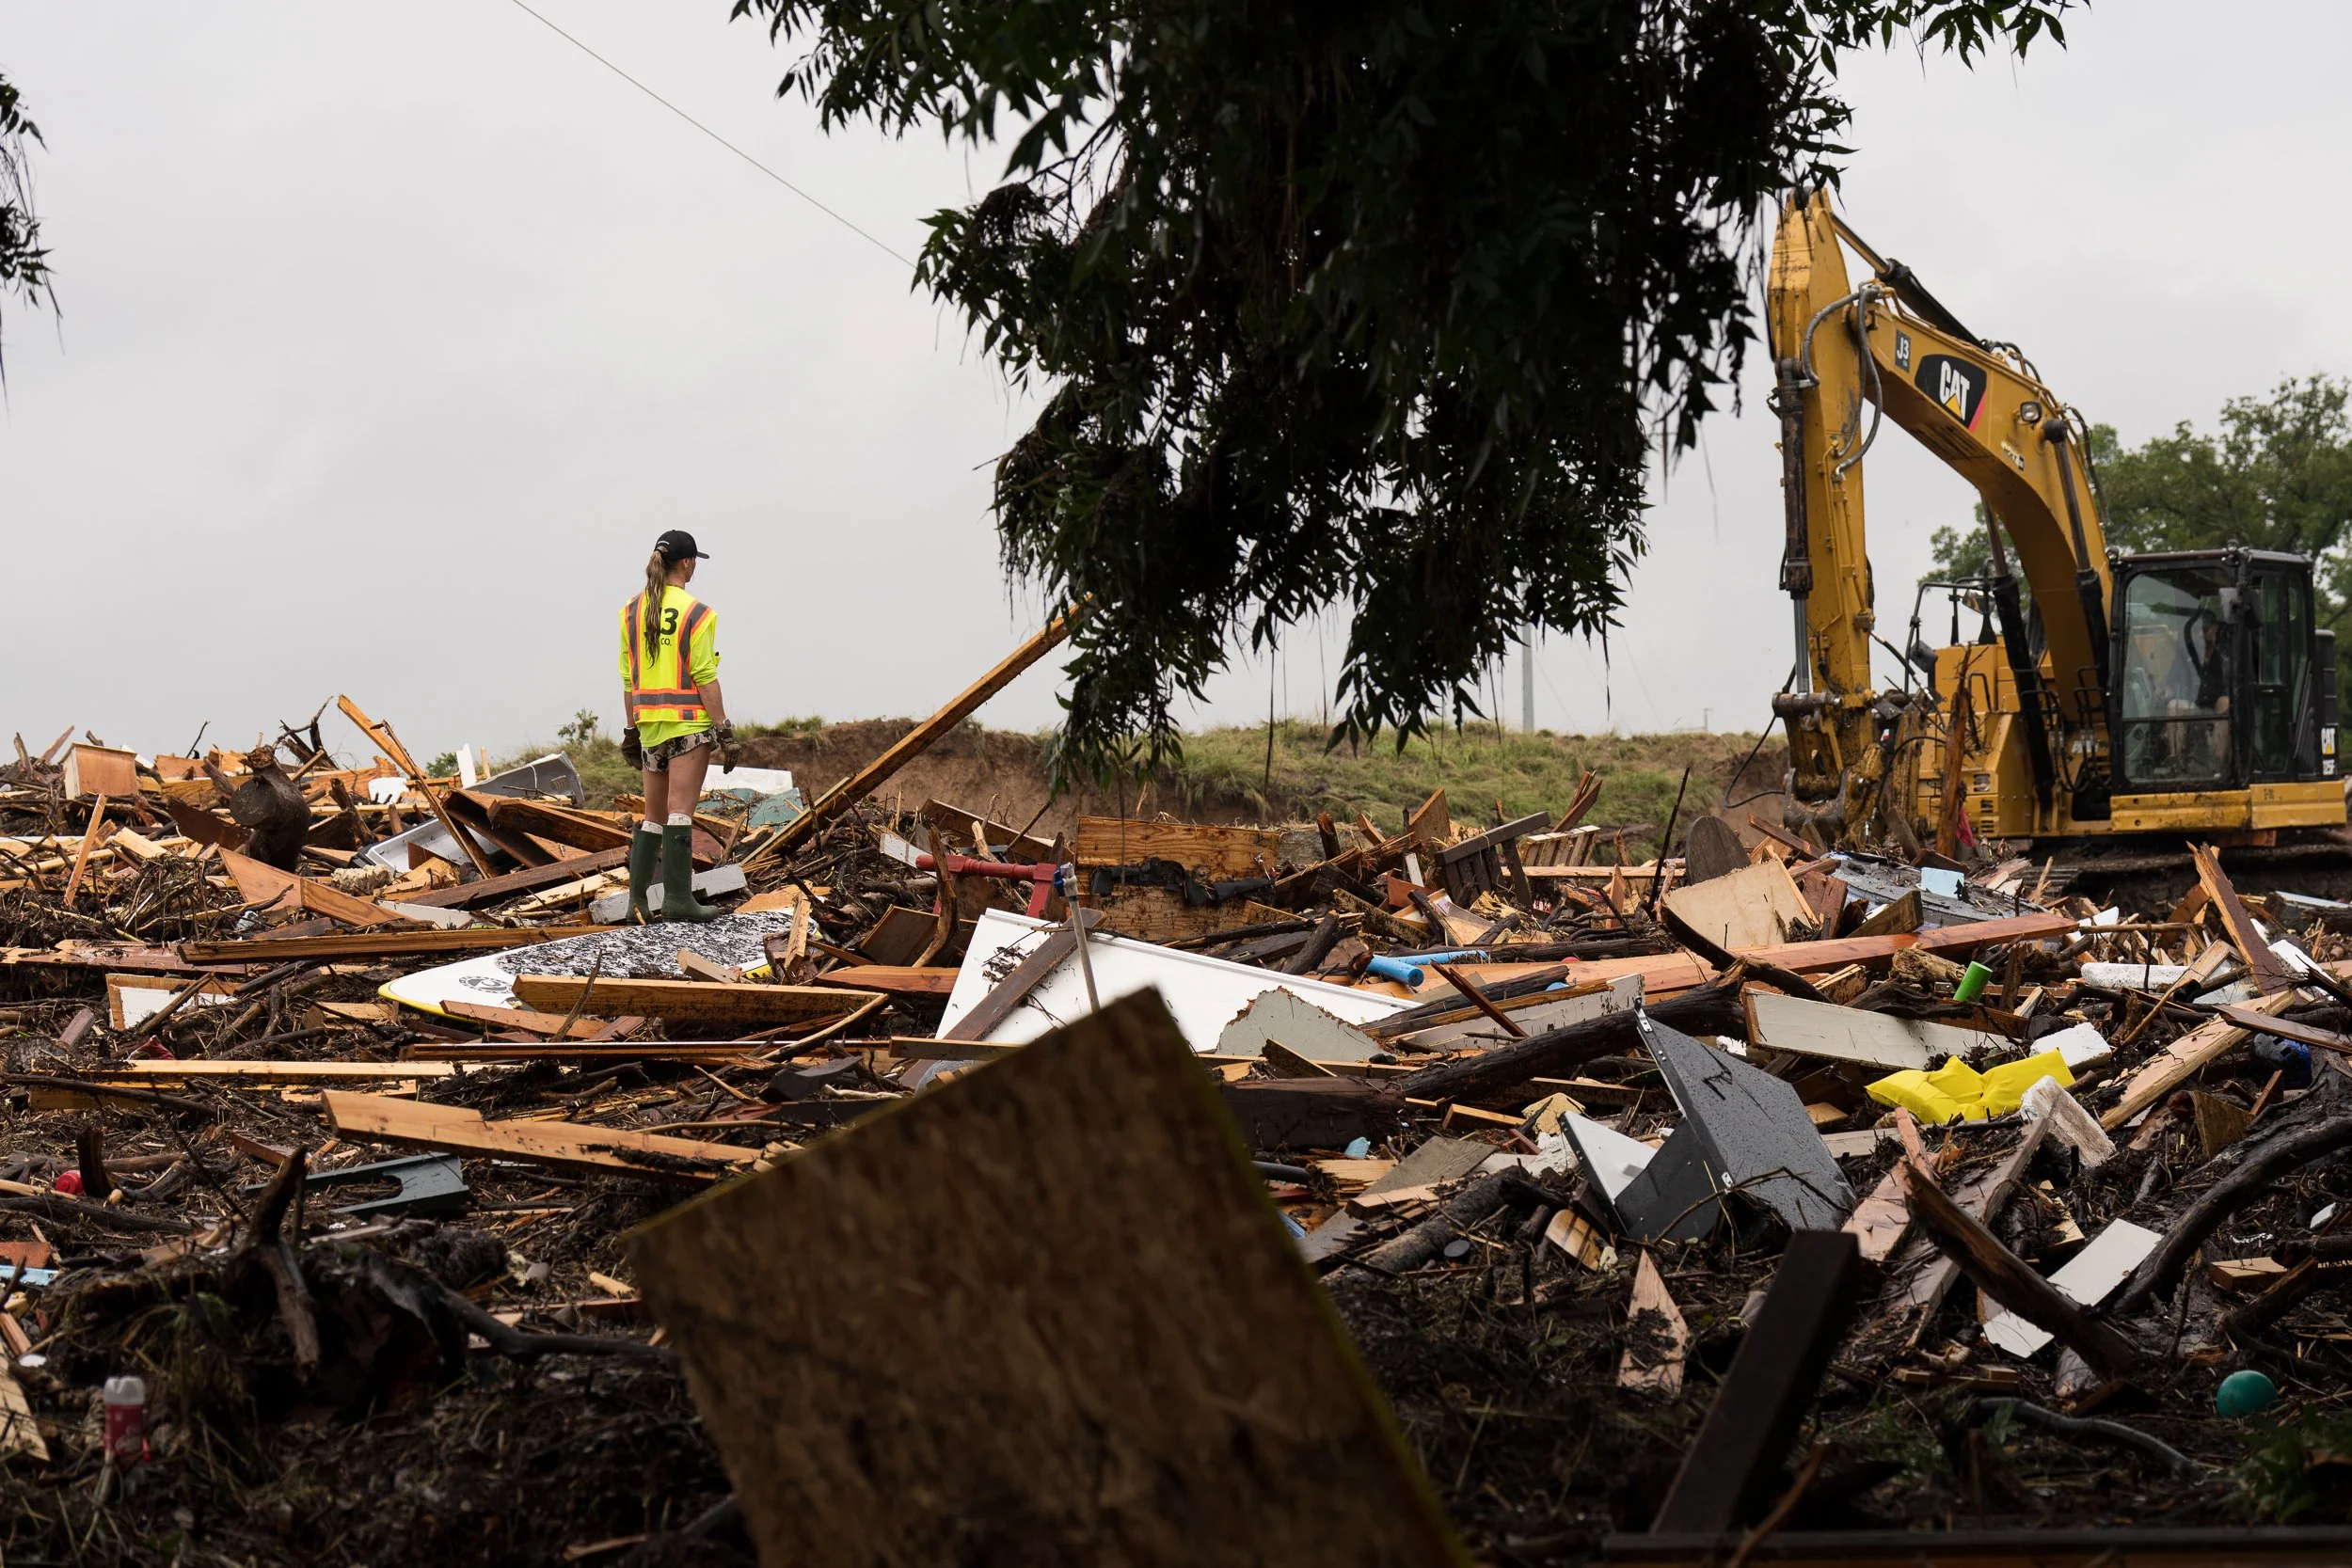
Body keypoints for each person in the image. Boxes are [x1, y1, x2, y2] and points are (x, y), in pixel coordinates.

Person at [618, 530, 736, 923]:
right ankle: (678, 899)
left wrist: (631, 730)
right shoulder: (697, 612)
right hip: (688, 724)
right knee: (680, 811)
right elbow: (704, 674)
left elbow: (628, 679)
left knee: (652, 815)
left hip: (649, 724)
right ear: (687, 563)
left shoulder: (631, 612)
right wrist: (724, 729)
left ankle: (637, 902)